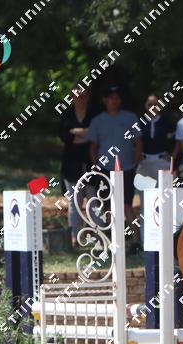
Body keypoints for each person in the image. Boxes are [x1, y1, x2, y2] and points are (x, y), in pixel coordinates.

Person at [86, 85, 142, 247]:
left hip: (127, 168)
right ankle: (112, 241)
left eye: (117, 98)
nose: (114, 101)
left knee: (126, 205)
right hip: (104, 169)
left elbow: (138, 142)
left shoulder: (130, 118)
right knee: (107, 205)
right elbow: (93, 147)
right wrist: (96, 167)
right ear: (105, 100)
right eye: (111, 98)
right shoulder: (97, 121)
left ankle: (136, 240)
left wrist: (136, 163)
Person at [58, 87, 93, 247]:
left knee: (94, 201)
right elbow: (65, 137)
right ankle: (75, 237)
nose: (81, 99)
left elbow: (96, 135)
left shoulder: (93, 115)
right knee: (74, 203)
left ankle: (97, 235)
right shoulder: (66, 115)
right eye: (78, 95)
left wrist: (75, 132)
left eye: (84, 96)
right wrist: (85, 134)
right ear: (72, 96)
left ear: (88, 97)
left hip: (92, 163)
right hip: (71, 165)